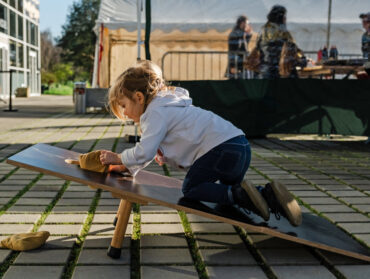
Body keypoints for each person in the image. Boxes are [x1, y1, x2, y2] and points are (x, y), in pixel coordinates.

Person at [99, 60, 302, 227]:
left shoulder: (154, 112)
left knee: (192, 188)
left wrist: (117, 157)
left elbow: (145, 151)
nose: (124, 113)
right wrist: (129, 168)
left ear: (139, 97)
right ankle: (270, 197)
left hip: (220, 150)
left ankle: (244, 195)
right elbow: (148, 152)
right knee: (229, 193)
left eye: (124, 106)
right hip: (240, 146)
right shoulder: (168, 103)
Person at [256, 5, 306, 78]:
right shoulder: (284, 37)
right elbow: (292, 59)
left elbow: (259, 53)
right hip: (282, 76)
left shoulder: (262, 34)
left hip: (265, 75)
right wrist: (303, 60)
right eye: (284, 17)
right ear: (282, 19)